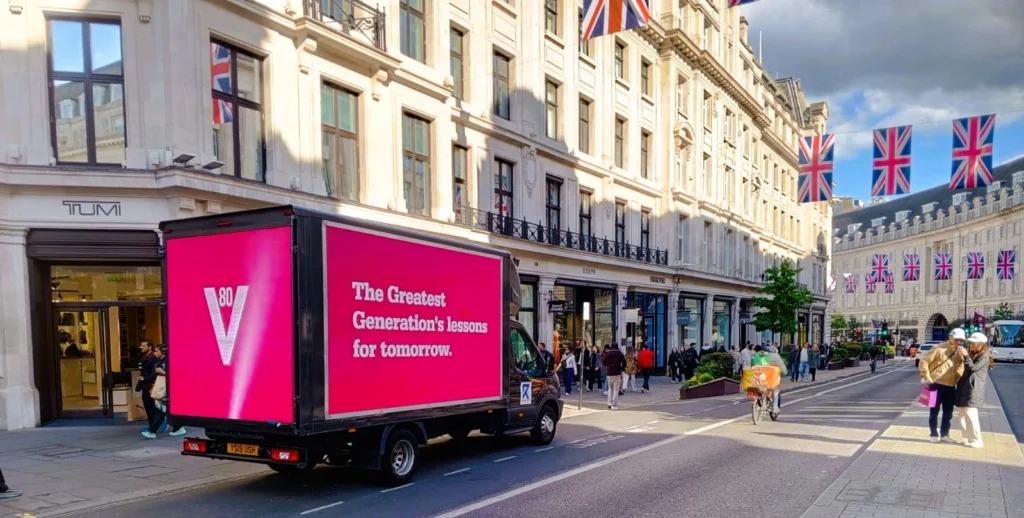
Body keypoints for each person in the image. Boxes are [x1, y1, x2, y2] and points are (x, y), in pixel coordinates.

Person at [919, 327, 966, 443]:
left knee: (948, 412)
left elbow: (960, 365)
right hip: (936, 384)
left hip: (951, 385)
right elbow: (924, 361)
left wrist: (959, 376)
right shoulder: (939, 348)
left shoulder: (960, 350)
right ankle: (933, 434)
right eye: (957, 339)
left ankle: (945, 434)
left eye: (961, 340)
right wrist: (927, 377)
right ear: (950, 337)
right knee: (934, 411)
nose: (959, 342)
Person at [955, 332, 993, 448]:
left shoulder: (984, 356)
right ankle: (967, 438)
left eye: (973, 343)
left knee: (971, 414)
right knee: (962, 414)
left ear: (980, 344)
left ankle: (977, 440)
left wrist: (966, 356)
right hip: (964, 387)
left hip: (973, 388)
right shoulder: (973, 354)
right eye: (970, 343)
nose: (971, 345)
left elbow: (973, 368)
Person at [136, 341, 160, 439]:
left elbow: (153, 372)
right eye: (141, 345)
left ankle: (154, 426)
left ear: (149, 347)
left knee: (153, 406)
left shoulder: (152, 358)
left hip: (150, 384)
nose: (141, 347)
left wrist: (145, 379)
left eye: (143, 346)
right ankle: (152, 425)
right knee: (148, 406)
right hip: (145, 384)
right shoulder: (144, 357)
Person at [602, 344, 626, 410]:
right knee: (616, 390)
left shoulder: (607, 353)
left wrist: (608, 366)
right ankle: (614, 405)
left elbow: (603, 362)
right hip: (617, 372)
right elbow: (624, 362)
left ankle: (609, 402)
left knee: (610, 388)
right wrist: (622, 368)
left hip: (609, 372)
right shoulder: (619, 353)